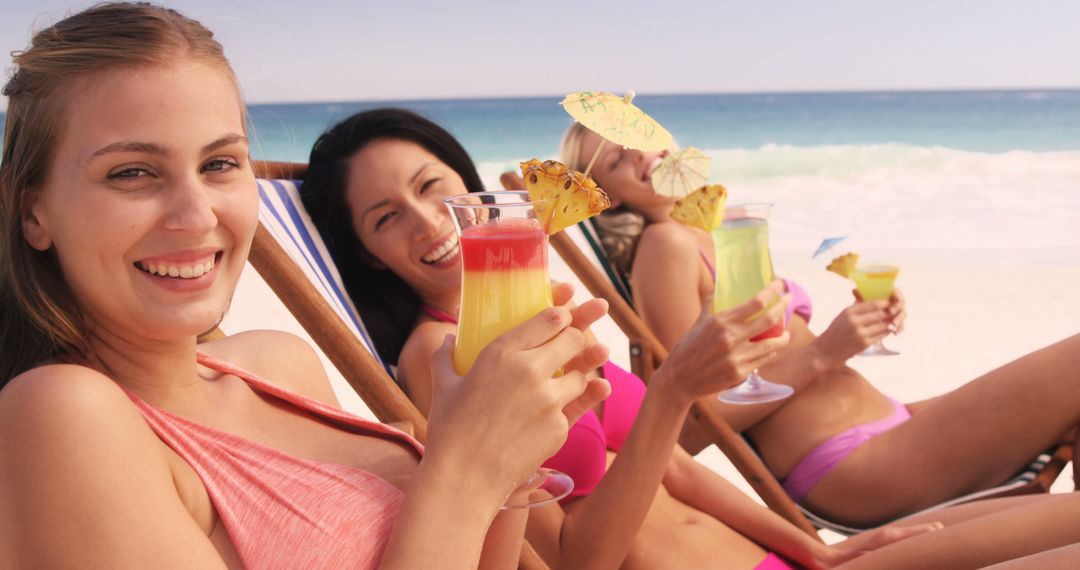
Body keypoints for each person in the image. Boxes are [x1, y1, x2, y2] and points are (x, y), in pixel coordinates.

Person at [301, 107, 1080, 568]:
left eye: (432, 188)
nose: (428, 221)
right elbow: (575, 559)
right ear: (368, 255)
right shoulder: (448, 364)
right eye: (385, 217)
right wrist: (673, 389)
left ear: (472, 190)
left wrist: (818, 548)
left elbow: (675, 472)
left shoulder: (534, 320)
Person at [0, 5, 612, 568]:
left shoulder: (279, 361)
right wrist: (467, 466)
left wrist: (504, 454)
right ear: (33, 213)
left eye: (219, 164)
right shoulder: (60, 413)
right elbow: (461, 495)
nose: (196, 215)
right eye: (131, 173)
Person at [560, 121, 1080, 527]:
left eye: (638, 138)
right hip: (855, 465)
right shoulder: (666, 247)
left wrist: (856, 322)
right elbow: (693, 426)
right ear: (605, 195)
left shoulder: (710, 230)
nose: (638, 154)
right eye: (615, 159)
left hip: (891, 426)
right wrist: (829, 348)